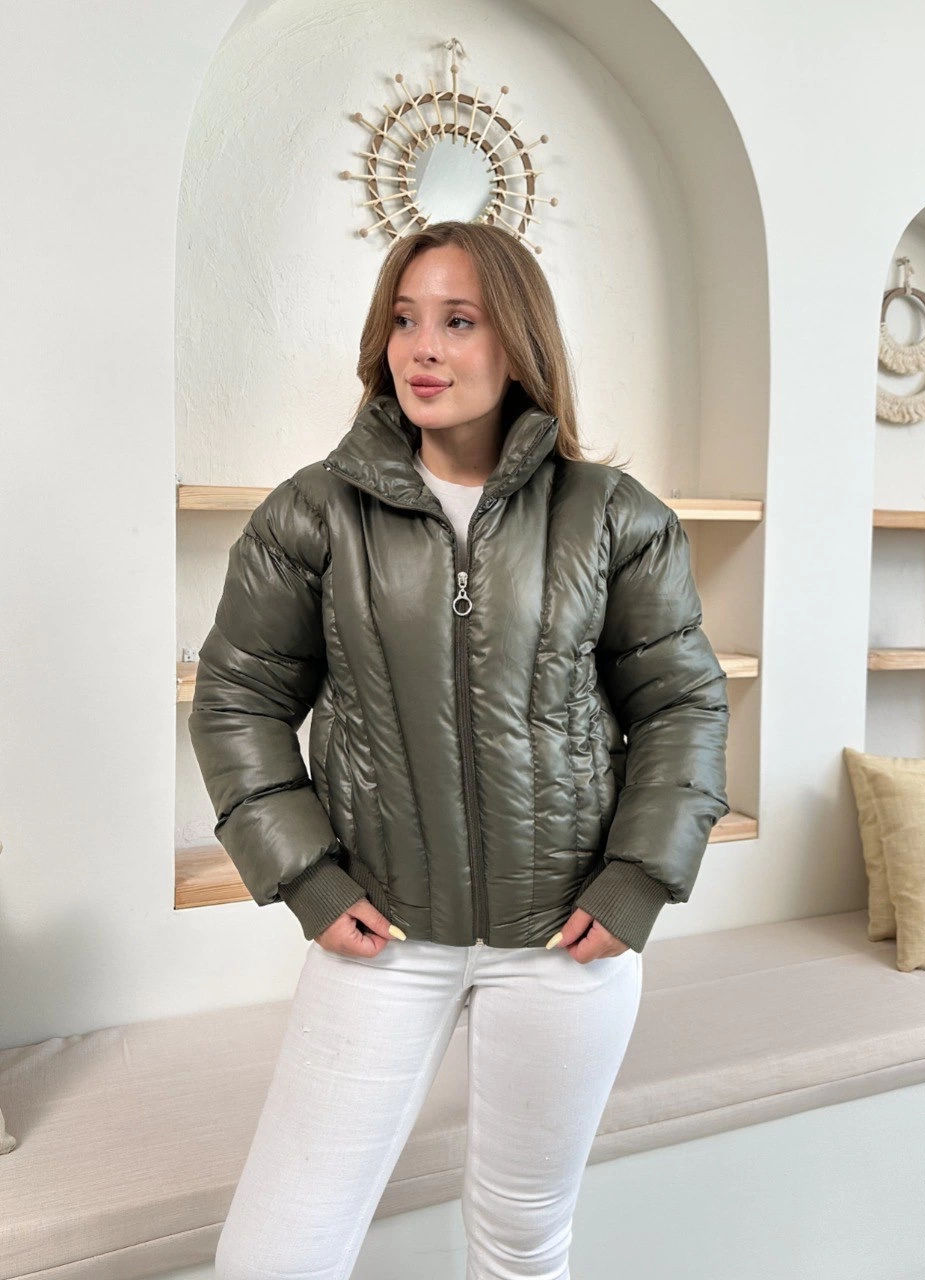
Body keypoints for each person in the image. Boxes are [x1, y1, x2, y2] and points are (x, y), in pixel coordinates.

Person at [189, 219, 730, 1279]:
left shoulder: (615, 518)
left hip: (566, 942)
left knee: (523, 1243)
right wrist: (306, 876)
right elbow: (237, 699)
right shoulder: (314, 513)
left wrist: (636, 880)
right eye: (403, 320)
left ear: (518, 342)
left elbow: (680, 706)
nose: (422, 348)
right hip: (382, 934)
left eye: (458, 320)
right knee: (274, 1255)